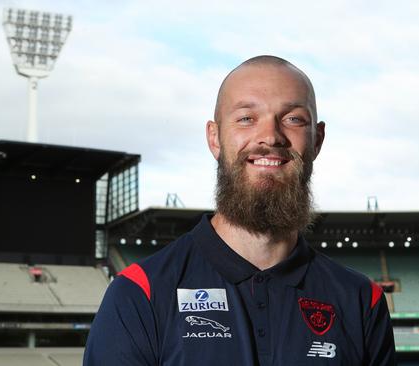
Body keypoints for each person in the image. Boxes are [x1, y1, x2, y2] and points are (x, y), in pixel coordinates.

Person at [84, 55, 396, 365]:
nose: (270, 136)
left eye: (293, 119)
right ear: (214, 137)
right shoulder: (140, 293)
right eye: (246, 118)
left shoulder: (361, 300)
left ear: (317, 139)